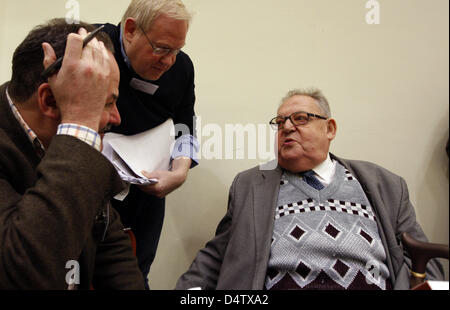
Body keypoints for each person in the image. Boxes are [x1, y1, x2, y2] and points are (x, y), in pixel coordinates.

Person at [175, 88, 444, 290]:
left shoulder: (384, 185)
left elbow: (426, 263)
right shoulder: (250, 186)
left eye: (300, 119)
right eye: (280, 123)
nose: (287, 127)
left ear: (330, 128)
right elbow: (215, 258)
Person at [0, 18, 145, 290]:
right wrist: (79, 124)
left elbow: (114, 256)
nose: (117, 116)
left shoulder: (77, 147)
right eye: (107, 102)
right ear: (50, 100)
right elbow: (25, 274)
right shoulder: (78, 138)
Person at [100, 0, 198, 288]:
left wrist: (180, 172)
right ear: (130, 30)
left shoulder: (181, 67)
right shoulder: (92, 48)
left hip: (147, 187)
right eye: (162, 48)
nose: (169, 61)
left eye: (176, 50)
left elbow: (185, 125)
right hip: (91, 185)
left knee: (135, 274)